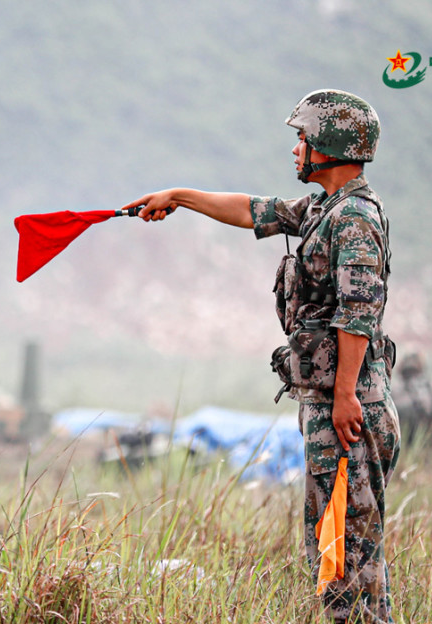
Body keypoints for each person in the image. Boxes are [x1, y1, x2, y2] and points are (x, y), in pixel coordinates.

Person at [125, 89, 399, 623]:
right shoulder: (325, 208)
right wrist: (178, 196)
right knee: (333, 549)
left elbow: (358, 314)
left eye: (303, 139)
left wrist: (343, 396)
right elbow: (255, 210)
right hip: (329, 403)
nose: (296, 149)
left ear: (329, 145)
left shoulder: (355, 219)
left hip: (349, 408)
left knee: (347, 555)